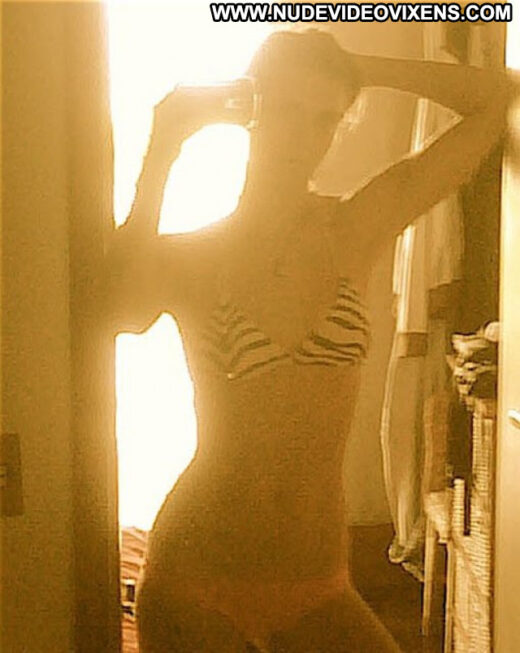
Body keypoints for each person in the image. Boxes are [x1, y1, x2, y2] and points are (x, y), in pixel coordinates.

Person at [105, 29, 511, 652]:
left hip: (316, 583)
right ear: (253, 110)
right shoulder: (192, 256)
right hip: (196, 576)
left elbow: (494, 99)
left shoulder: (356, 226)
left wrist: (355, 68)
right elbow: (121, 313)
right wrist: (163, 148)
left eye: (326, 118)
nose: (306, 135)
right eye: (289, 109)